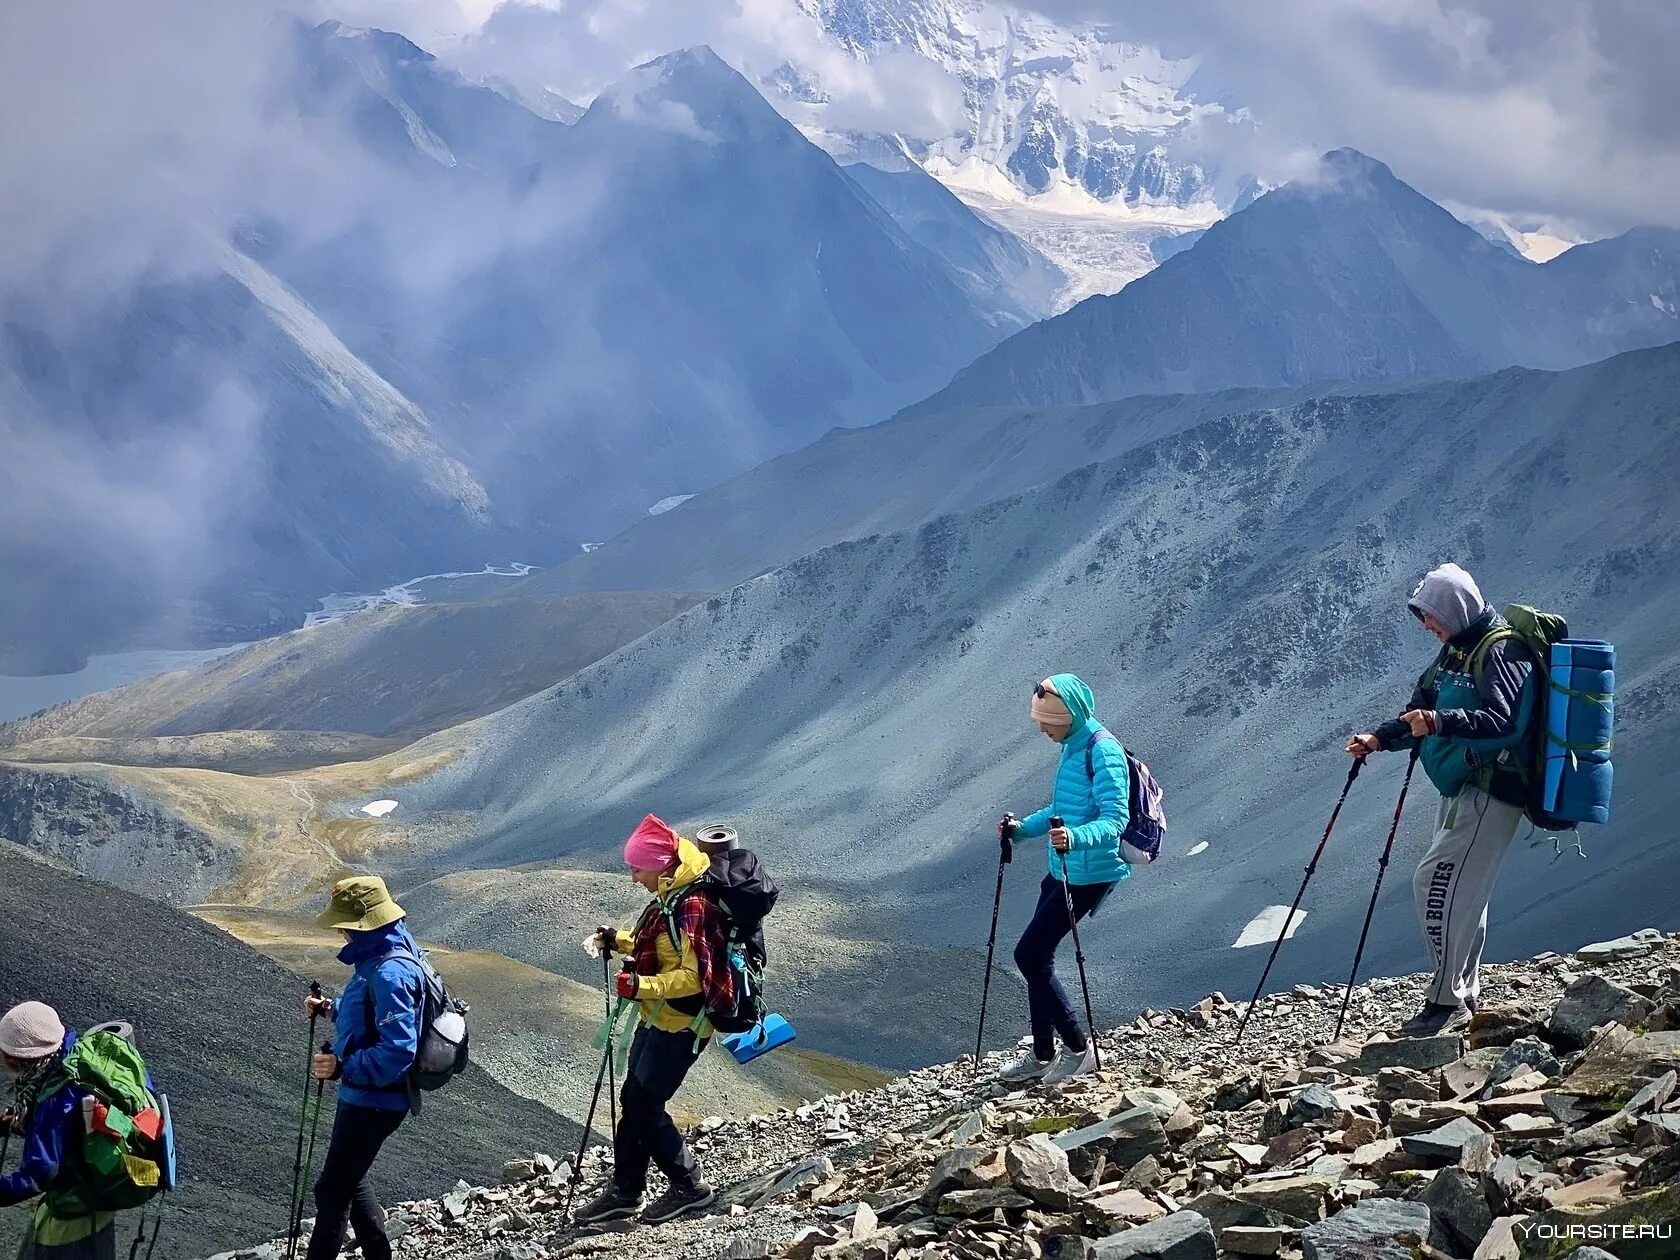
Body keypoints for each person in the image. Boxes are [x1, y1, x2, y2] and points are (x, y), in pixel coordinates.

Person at [1348, 563, 1539, 1038]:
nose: (1427, 626)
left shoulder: (1501, 650)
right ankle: (1462, 992)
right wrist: (1377, 738)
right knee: (1463, 890)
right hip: (1462, 787)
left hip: (1493, 788)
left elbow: (1505, 722)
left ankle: (1444, 1002)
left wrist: (1439, 722)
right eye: (1423, 618)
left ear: (1455, 608)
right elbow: (1418, 708)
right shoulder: (1456, 653)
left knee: (1435, 882)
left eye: (1431, 616)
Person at [576, 816, 725, 1226]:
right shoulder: (672, 893)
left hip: (682, 1025)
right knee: (635, 1101)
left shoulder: (693, 905)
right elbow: (657, 944)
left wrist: (642, 985)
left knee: (642, 1103)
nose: (633, 876)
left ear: (660, 863)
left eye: (637, 868)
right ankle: (626, 1190)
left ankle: (689, 1187)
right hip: (658, 1018)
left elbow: (696, 976)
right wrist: (617, 939)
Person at [996, 674, 1131, 1085]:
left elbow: (1116, 818)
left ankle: (1078, 1050)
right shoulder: (1074, 747)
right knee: (1039, 959)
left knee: (1029, 956)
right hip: (1064, 869)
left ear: (1068, 715)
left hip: (1090, 873)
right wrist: (1021, 831)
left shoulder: (1103, 751)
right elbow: (1064, 806)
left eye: (1047, 722)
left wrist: (1074, 837)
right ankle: (1041, 1054)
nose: (1041, 728)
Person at [302, 876, 424, 1260]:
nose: (339, 930)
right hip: (373, 1096)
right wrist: (330, 1008)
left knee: (332, 1191)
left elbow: (397, 1050)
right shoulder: (388, 952)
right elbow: (369, 1013)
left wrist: (341, 1067)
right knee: (349, 1182)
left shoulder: (389, 971)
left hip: (373, 1100)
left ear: (360, 921)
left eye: (343, 922)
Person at [0, 1002, 115, 1259]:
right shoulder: (70, 1051)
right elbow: (70, 1126)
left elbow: (39, 1174)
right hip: (98, 1204)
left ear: (20, 1059)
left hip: (73, 1215)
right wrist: (20, 1123)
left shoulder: (54, 1100)